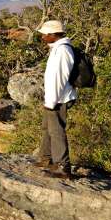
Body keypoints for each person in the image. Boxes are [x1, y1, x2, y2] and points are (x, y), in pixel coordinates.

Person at [33, 20, 77, 178]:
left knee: (56, 131)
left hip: (59, 99)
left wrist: (51, 102)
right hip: (53, 98)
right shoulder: (57, 49)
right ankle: (46, 159)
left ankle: (63, 166)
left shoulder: (62, 51)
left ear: (53, 35)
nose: (43, 37)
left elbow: (59, 78)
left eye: (45, 34)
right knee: (47, 128)